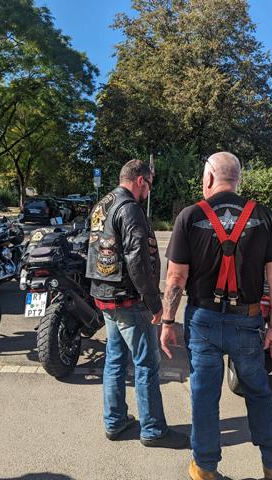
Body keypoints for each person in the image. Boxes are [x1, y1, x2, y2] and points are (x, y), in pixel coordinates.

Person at [159, 152, 272, 480]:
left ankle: (205, 467)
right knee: (258, 392)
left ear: (208, 179)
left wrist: (168, 322)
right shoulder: (264, 216)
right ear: (238, 180)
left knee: (204, 395)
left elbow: (175, 278)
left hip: (203, 320)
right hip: (247, 321)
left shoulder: (190, 216)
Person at [86, 159, 188, 449]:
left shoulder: (103, 204)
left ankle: (115, 421)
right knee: (147, 365)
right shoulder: (130, 208)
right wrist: (155, 304)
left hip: (105, 295)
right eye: (149, 185)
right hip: (128, 298)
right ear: (140, 180)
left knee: (115, 360)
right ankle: (153, 429)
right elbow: (137, 259)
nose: (148, 191)